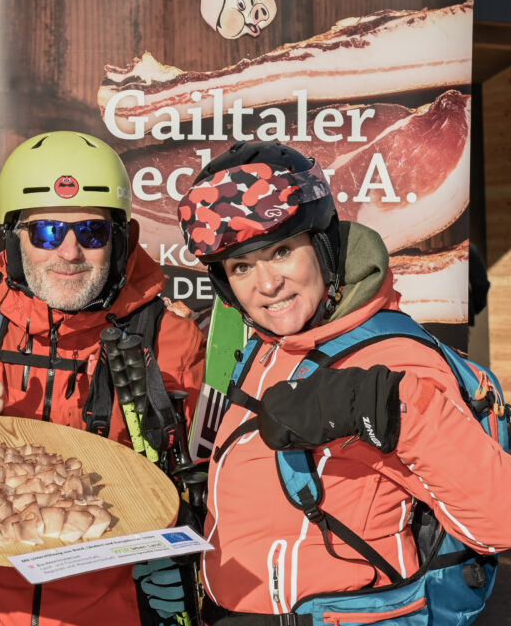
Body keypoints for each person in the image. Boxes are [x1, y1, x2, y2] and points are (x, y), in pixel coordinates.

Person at [168, 140, 511, 623]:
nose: (266, 285)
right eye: (241, 266)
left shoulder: (397, 356)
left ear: (323, 245)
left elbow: (500, 519)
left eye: (281, 251)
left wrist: (385, 404)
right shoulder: (270, 347)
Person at [0, 130, 206, 626]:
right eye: (46, 232)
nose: (69, 253)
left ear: (121, 238)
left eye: (92, 232)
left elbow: (208, 483)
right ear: (13, 236)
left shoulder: (169, 339)